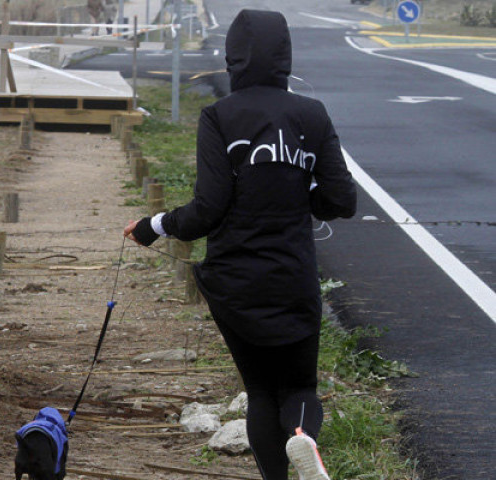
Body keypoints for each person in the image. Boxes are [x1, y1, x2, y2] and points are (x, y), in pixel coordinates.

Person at [124, 9, 356, 480]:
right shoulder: (311, 114)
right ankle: (304, 439)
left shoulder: (221, 116)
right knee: (299, 386)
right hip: (292, 276)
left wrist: (154, 225)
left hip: (235, 281)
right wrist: (301, 197)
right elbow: (342, 200)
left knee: (260, 388)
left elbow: (208, 208)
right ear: (285, 56)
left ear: (234, 60)